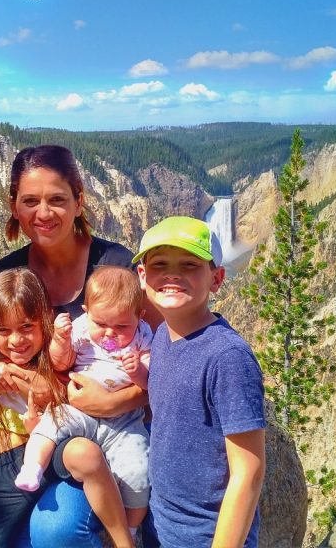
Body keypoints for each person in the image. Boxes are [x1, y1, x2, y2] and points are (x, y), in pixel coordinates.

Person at [0, 144, 153, 545]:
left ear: (79, 201)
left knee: (56, 531)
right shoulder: (7, 275)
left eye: (57, 199)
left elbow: (164, 354)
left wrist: (119, 401)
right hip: (32, 437)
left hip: (107, 437)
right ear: (13, 206)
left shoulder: (116, 267)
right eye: (30, 201)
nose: (43, 213)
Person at [0, 267, 134, 548]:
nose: (17, 340)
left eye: (27, 328)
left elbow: (63, 392)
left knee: (84, 453)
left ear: (45, 321)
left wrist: (20, 379)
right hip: (10, 460)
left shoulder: (57, 355)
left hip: (52, 448)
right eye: (3, 331)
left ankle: (125, 541)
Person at [133, 216, 266, 548]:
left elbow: (248, 472)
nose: (173, 274)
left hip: (206, 537)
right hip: (160, 527)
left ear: (217, 278)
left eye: (190, 265)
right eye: (160, 264)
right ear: (142, 276)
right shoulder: (162, 335)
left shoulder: (228, 357)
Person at [15, 266, 153, 544]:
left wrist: (138, 370)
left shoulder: (142, 335)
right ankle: (32, 467)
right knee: (50, 424)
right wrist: (60, 340)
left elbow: (150, 381)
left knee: (139, 470)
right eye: (101, 324)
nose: (110, 333)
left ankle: (131, 527)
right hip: (78, 410)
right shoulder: (80, 330)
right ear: (86, 311)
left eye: (122, 326)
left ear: (140, 317)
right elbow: (61, 363)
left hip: (124, 421)